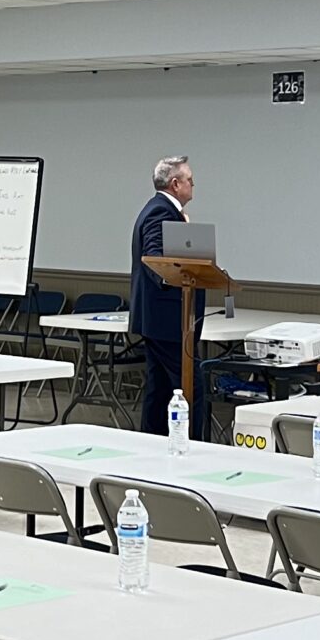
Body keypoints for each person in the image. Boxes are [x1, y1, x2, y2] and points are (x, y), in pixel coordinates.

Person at [130, 154, 200, 435]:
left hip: (159, 319)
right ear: (175, 184)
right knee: (191, 386)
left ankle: (152, 443)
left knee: (159, 389)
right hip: (168, 318)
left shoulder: (159, 209)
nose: (194, 185)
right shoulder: (161, 211)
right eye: (190, 180)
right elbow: (154, 259)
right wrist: (180, 278)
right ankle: (196, 446)